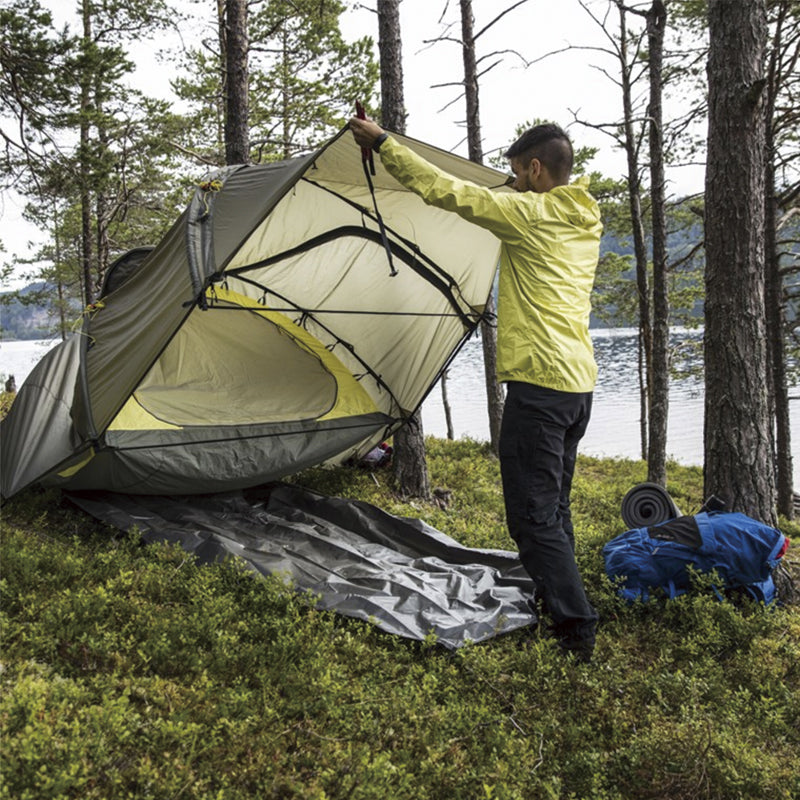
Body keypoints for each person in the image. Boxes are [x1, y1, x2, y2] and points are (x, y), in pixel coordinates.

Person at [349, 116, 601, 661]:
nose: (509, 185)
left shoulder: (532, 214)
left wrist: (385, 144)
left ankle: (576, 631)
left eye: (514, 175)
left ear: (535, 170)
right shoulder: (583, 218)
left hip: (539, 387)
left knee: (531, 517)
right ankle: (559, 599)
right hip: (577, 386)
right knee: (553, 508)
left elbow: (447, 191)